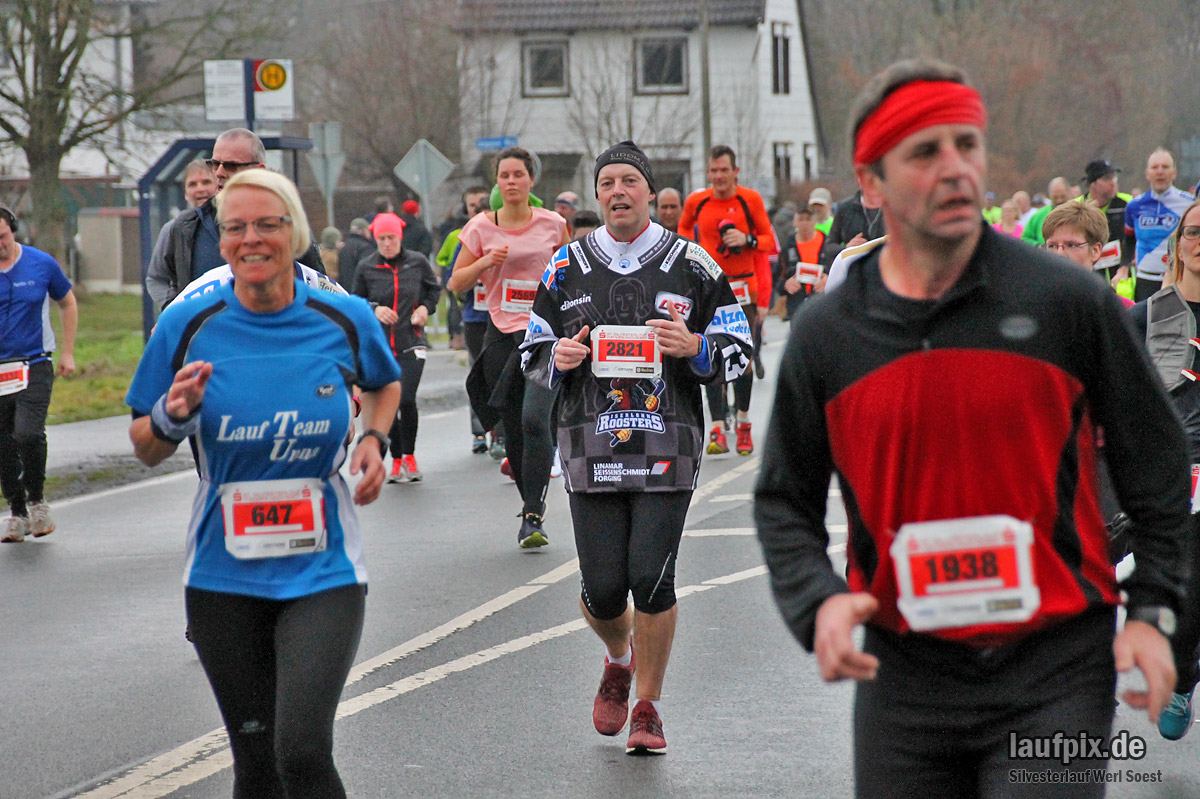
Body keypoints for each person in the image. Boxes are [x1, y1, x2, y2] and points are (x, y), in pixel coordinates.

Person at [755, 58, 1191, 798]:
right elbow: (783, 500)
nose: (955, 168)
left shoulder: (1068, 304)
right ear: (871, 182)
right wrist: (819, 601)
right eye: (926, 152)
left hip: (1054, 661)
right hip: (906, 676)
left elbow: (1157, 461)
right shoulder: (829, 335)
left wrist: (1154, 609)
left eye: (967, 145)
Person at [126, 168, 401, 797]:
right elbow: (144, 445)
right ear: (220, 240)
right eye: (235, 228)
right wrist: (172, 415)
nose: (251, 239)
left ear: (294, 233)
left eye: (268, 225)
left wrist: (374, 440)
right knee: (255, 767)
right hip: (223, 578)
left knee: (301, 751)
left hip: (324, 571)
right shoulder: (187, 322)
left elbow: (385, 382)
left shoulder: (341, 316)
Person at [521, 139, 752, 756]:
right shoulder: (565, 266)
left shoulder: (694, 264)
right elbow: (531, 352)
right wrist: (557, 357)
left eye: (629, 181)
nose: (617, 192)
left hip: (667, 440)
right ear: (596, 196)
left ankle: (648, 707)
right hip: (588, 442)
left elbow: (740, 349)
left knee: (650, 578)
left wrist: (694, 348)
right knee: (601, 589)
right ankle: (618, 658)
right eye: (607, 184)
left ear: (651, 192)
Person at [450, 147, 569, 547]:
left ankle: (534, 511)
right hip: (501, 334)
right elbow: (456, 283)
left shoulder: (553, 224)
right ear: (497, 183)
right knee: (514, 427)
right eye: (505, 176)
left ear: (531, 180)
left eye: (519, 174)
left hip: (544, 335)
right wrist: (484, 263)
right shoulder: (481, 227)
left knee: (536, 418)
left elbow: (570, 277)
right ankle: (529, 506)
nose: (512, 182)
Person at [1128, 199, 1200, 741]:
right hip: (1182, 477)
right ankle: (1183, 672)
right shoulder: (1152, 314)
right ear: (1178, 245)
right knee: (1189, 593)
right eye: (1195, 232)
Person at [146, 128, 325, 311]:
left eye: (231, 165)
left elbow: (316, 287)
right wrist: (171, 315)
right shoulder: (185, 227)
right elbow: (167, 282)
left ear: (259, 169)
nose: (219, 173)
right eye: (215, 164)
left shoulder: (288, 224)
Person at [676, 144, 776, 456]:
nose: (718, 176)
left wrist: (747, 240)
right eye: (713, 171)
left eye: (724, 170)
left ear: (735, 171)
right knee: (707, 355)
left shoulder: (750, 199)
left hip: (743, 288)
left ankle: (744, 426)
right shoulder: (696, 201)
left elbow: (770, 242)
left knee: (741, 358)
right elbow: (680, 233)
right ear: (708, 172)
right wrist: (692, 254)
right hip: (708, 288)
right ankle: (717, 429)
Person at [0, 204, 76, 543]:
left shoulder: (41, 263)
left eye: (1, 237)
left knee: (28, 434)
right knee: (2, 443)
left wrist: (69, 352)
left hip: (34, 364)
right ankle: (15, 512)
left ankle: (37, 502)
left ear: (12, 230)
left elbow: (67, 301)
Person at [352, 212, 441, 483]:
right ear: (375, 239)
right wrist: (375, 309)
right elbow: (356, 301)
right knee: (388, 404)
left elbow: (433, 290)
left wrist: (425, 309)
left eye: (391, 237)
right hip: (380, 346)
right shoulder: (366, 267)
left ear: (400, 237)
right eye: (381, 238)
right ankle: (397, 459)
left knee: (405, 398)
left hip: (411, 341)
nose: (387, 243)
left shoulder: (418, 262)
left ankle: (410, 457)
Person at [1117, 148, 1195, 302]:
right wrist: (1123, 267)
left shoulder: (1190, 204)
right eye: (1155, 167)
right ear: (1147, 173)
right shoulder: (1134, 206)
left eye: (1165, 167)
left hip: (1180, 279)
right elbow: (1129, 240)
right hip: (1145, 280)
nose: (1160, 171)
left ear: (1174, 172)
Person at [1077, 159, 1132, 284]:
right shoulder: (1077, 207)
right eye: (1107, 179)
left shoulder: (1128, 204)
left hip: (1122, 276)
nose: (1113, 183)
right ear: (1092, 184)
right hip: (1088, 275)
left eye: (1114, 178)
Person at [776, 205, 826, 321]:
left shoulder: (827, 244)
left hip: (823, 306)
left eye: (808, 219)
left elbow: (840, 274)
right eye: (801, 219)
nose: (805, 223)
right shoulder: (787, 248)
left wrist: (828, 281)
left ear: (815, 221)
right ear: (794, 222)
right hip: (797, 309)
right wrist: (786, 284)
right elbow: (777, 279)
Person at [1020, 176, 1070, 246]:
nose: (1059, 200)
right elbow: (1025, 239)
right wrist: (1038, 246)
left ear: (1069, 192)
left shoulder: (1079, 213)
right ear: (1049, 195)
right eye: (1055, 197)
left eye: (1062, 196)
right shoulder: (1039, 215)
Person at [338, 218, 373, 291]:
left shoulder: (344, 247)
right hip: (358, 291)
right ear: (364, 231)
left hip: (344, 289)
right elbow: (368, 271)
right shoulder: (365, 248)